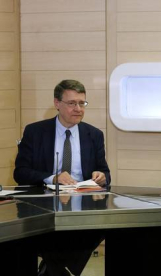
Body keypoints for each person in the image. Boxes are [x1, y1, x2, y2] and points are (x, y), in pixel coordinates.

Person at [14, 79, 111, 276]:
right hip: (44, 204)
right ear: (57, 103)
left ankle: (51, 270)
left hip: (83, 205)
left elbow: (105, 173)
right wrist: (52, 178)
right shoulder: (35, 132)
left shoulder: (94, 135)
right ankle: (59, 271)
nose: (78, 109)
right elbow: (20, 173)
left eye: (82, 103)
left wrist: (101, 177)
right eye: (72, 103)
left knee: (99, 230)